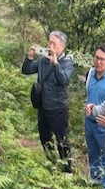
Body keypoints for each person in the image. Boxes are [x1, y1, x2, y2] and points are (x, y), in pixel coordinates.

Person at [22, 30, 74, 172]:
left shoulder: (67, 62)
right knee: (45, 138)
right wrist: (30, 57)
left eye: (54, 44)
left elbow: (63, 80)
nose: (50, 46)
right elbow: (26, 70)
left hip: (57, 108)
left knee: (62, 140)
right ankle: (50, 165)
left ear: (62, 46)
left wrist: (55, 63)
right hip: (43, 106)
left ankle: (66, 169)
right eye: (49, 42)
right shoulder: (43, 60)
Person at [85, 45, 105, 189]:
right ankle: (94, 184)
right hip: (89, 122)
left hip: (104, 126)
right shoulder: (90, 73)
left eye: (102, 59)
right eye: (96, 58)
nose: (98, 62)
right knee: (93, 155)